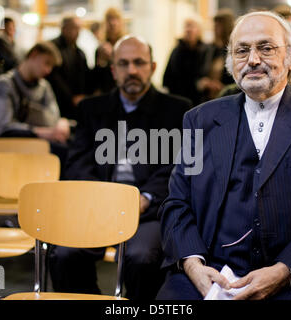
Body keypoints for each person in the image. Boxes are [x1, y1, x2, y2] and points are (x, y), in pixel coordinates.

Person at [157, 11, 291, 300]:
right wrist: (192, 263)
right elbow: (177, 202)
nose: (252, 59)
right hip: (209, 271)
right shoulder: (199, 119)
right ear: (231, 62)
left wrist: (283, 270)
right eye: (242, 50)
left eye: (266, 48)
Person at [48, 35, 192, 300]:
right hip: (97, 206)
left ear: (153, 67)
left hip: (148, 211)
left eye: (139, 62)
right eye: (124, 64)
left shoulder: (177, 110)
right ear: (113, 71)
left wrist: (144, 198)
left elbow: (177, 166)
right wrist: (101, 197)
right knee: (63, 254)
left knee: (142, 258)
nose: (132, 71)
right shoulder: (91, 109)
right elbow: (78, 163)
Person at [0, 41, 70, 165]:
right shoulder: (4, 84)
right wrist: (44, 132)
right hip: (11, 151)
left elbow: (54, 116)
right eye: (46, 63)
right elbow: (4, 127)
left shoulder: (44, 86)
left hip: (43, 147)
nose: (48, 70)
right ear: (34, 55)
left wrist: (62, 122)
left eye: (51, 66)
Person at [47, 16, 91, 120]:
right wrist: (71, 97)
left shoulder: (79, 52)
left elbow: (85, 76)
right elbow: (53, 76)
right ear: (63, 28)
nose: (77, 32)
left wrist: (83, 95)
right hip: (58, 101)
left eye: (79, 28)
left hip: (77, 103)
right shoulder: (52, 47)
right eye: (74, 28)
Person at [163, 17, 209, 105]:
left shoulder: (206, 50)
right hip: (179, 99)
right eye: (186, 26)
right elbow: (167, 78)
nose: (188, 30)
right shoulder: (177, 50)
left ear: (199, 30)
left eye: (192, 26)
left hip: (200, 101)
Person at [197, 9, 235, 102]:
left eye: (218, 25)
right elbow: (198, 75)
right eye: (214, 25)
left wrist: (223, 87)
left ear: (226, 27)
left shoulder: (234, 50)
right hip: (207, 98)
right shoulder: (208, 49)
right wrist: (203, 82)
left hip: (227, 99)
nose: (214, 28)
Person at [92, 7, 126, 95]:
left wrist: (112, 57)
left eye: (116, 18)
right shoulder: (100, 49)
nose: (112, 23)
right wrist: (101, 63)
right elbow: (96, 80)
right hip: (107, 95)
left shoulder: (127, 46)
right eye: (109, 19)